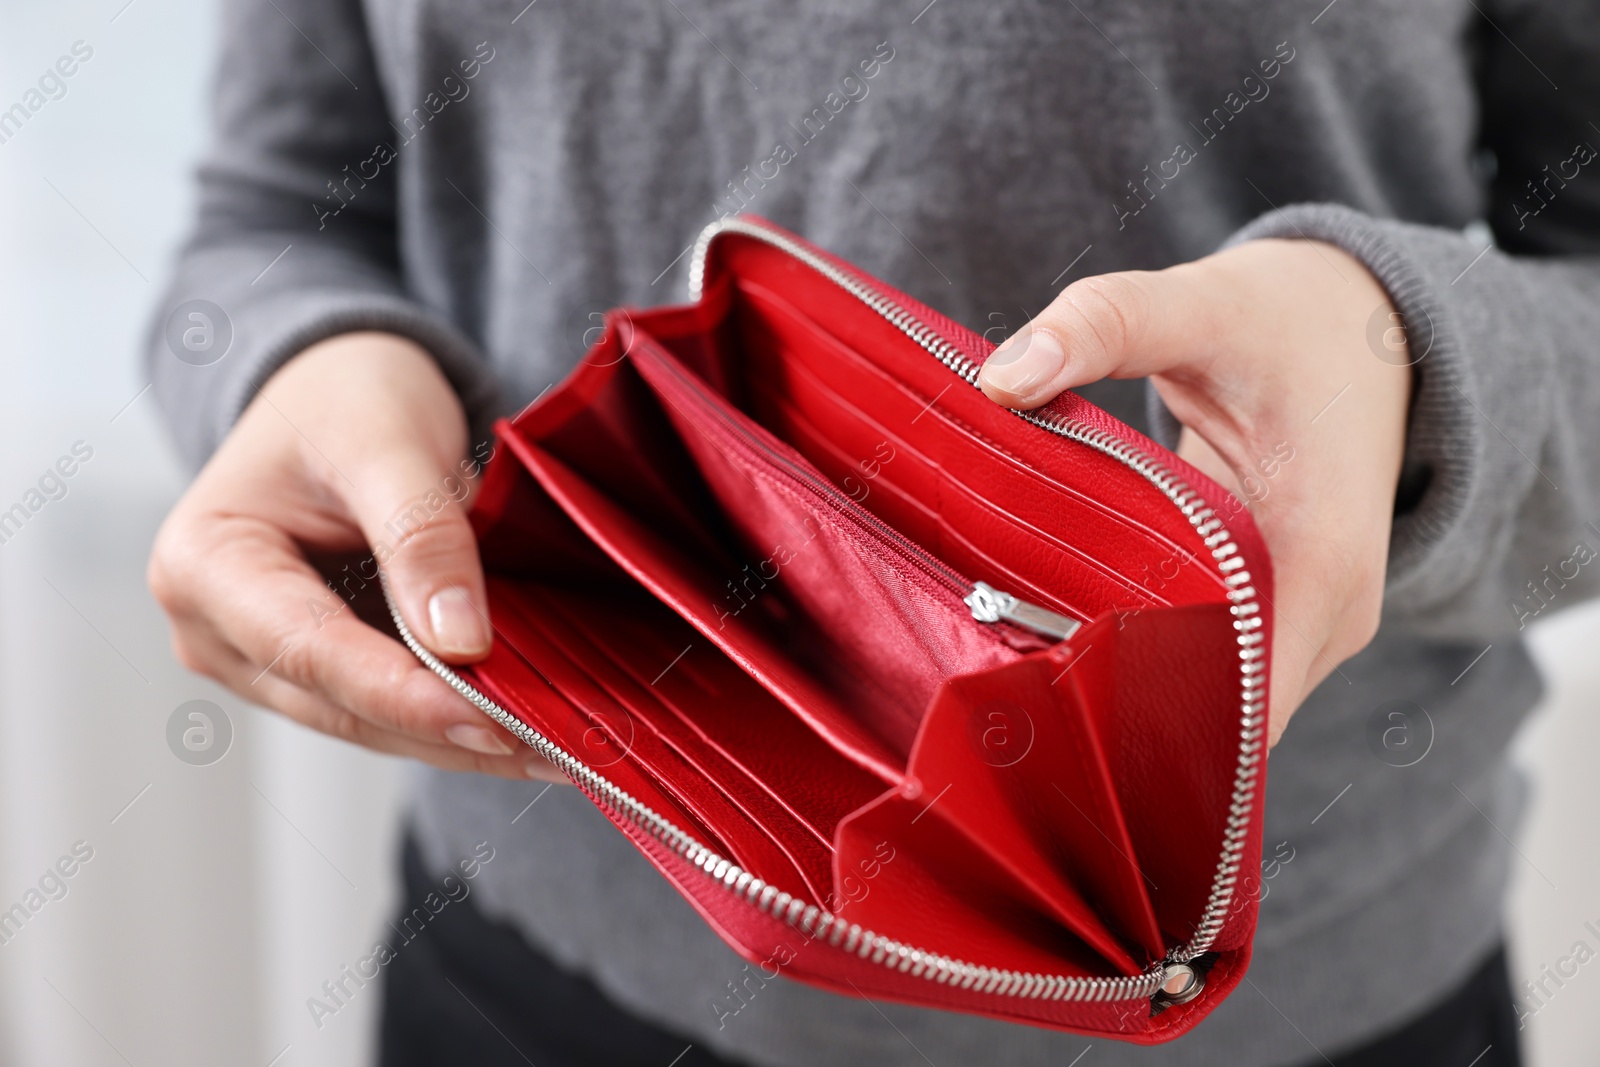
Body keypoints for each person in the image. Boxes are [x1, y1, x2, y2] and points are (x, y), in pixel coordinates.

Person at [145, 1, 1600, 1064]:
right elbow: (280, 206)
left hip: (1309, 1001)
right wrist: (295, 360)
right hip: (525, 967)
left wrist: (1409, 368)